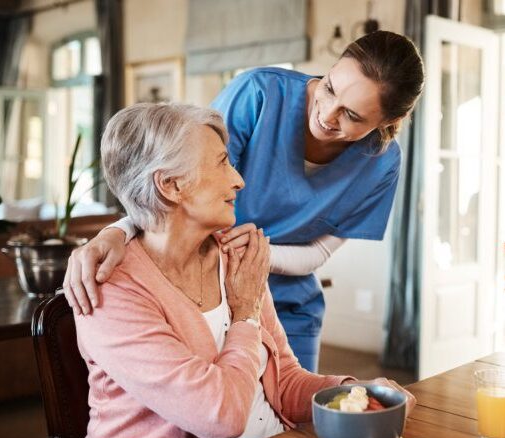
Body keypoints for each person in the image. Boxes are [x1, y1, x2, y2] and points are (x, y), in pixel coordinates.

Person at [64, 30, 425, 372]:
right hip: (204, 291)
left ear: (389, 120)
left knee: (292, 426)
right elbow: (176, 181)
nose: (327, 115)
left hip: (288, 304)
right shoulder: (259, 94)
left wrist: (254, 259)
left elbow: (319, 253)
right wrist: (118, 231)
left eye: (352, 115)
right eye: (329, 88)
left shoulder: (382, 164)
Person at [72, 103, 415, 438]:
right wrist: (246, 314)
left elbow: (285, 383)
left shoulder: (235, 258)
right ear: (171, 185)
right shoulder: (110, 290)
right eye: (223, 163)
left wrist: (356, 392)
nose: (238, 180)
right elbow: (221, 416)